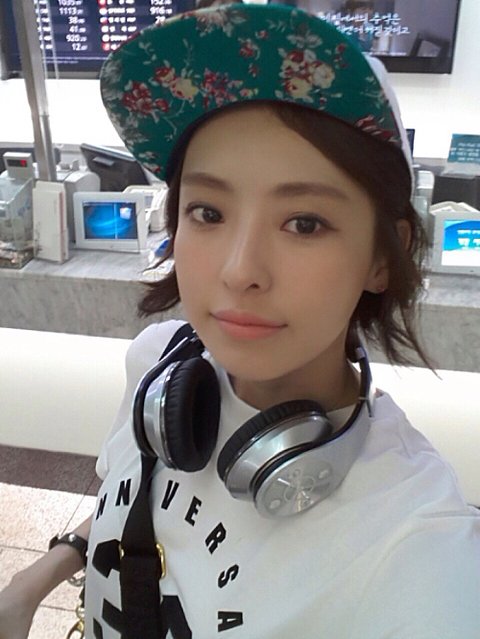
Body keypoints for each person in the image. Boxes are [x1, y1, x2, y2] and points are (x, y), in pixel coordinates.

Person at [1, 4, 479, 638]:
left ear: (382, 258)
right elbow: (134, 496)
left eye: (304, 223)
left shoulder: (421, 553)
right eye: (208, 212)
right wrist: (30, 583)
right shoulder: (160, 367)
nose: (239, 270)